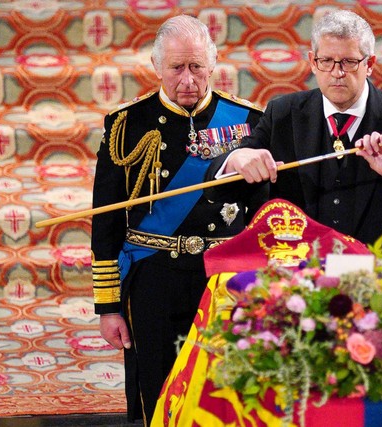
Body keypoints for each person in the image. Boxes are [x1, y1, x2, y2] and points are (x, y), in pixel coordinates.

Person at [90, 14, 265, 425]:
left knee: (226, 391)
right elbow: (107, 223)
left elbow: (264, 218)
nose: (188, 79)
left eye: (197, 67)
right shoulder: (126, 126)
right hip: (154, 277)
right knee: (161, 388)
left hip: (224, 280)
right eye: (176, 68)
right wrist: (108, 307)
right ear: (156, 67)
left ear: (213, 63)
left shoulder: (248, 123)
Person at [210, 9, 382, 277]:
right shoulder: (283, 113)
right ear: (312, 62)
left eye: (348, 62)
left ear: (369, 64)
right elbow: (220, 188)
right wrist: (236, 160)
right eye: (326, 61)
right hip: (302, 279)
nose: (336, 73)